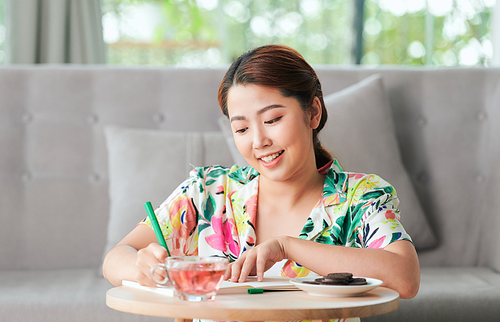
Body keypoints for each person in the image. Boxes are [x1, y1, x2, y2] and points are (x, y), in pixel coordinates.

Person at [103, 45, 420, 307]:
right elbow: (116, 258)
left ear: (313, 112)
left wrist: (286, 247)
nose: (258, 142)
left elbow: (405, 277)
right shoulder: (207, 191)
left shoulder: (359, 196)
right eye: (241, 128)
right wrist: (143, 268)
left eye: (272, 119)